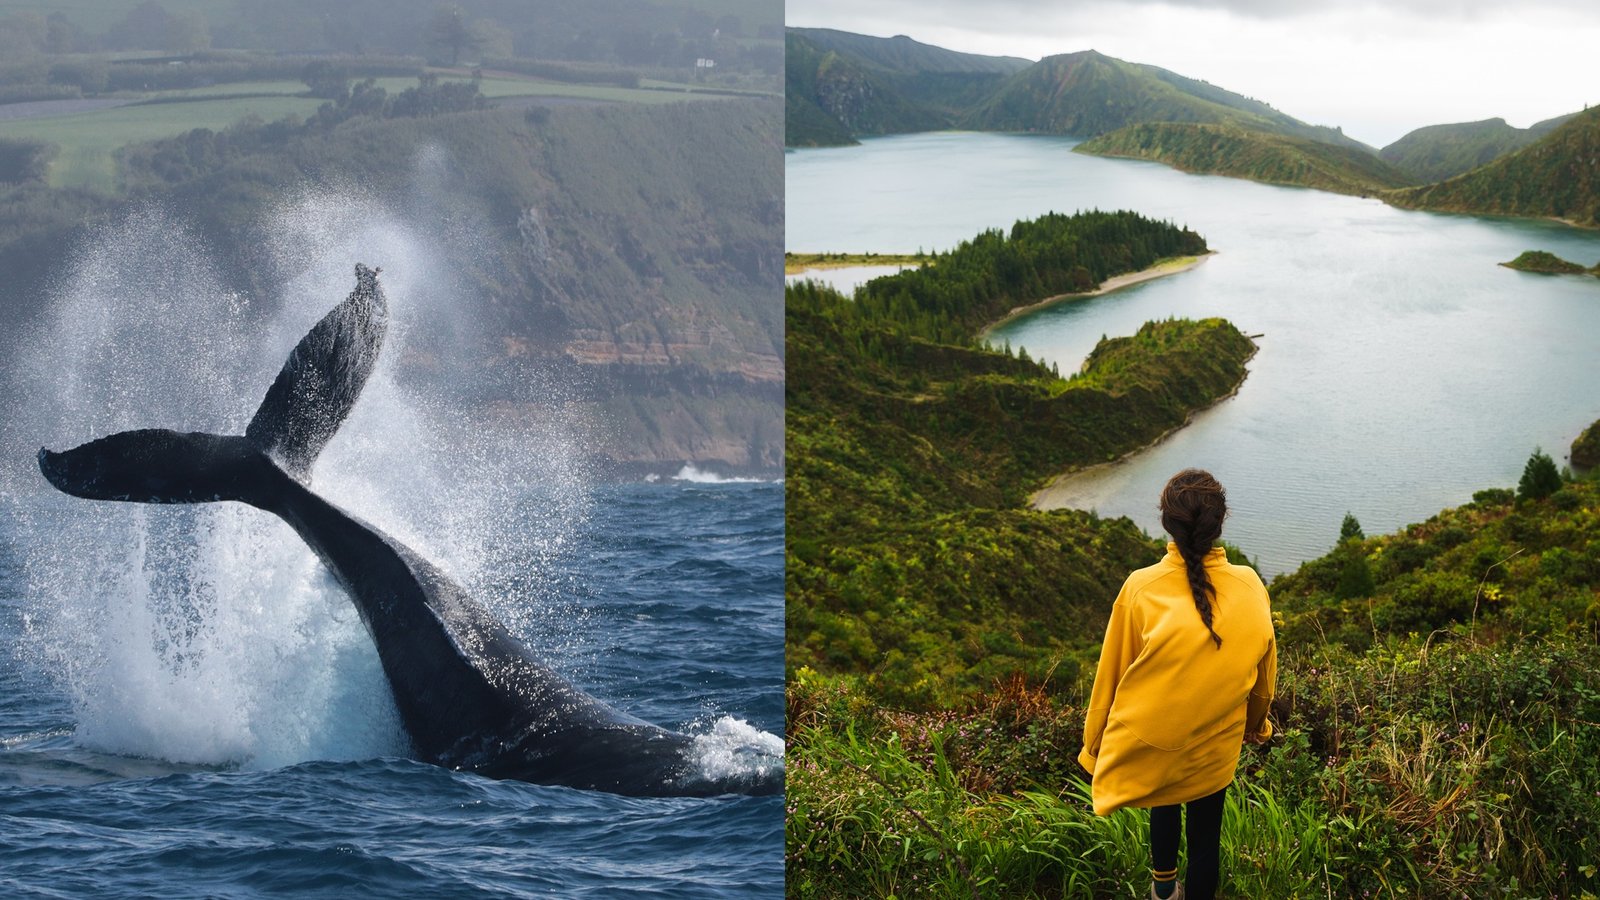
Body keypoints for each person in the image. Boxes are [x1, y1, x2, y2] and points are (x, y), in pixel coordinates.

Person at [1076, 469, 1277, 900]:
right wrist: (1256, 727)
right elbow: (1263, 681)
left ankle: (1164, 890)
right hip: (1217, 742)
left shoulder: (1140, 587)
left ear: (1168, 522)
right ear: (1219, 522)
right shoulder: (1250, 585)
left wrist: (1093, 749)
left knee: (1163, 798)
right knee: (1206, 835)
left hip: (1157, 737)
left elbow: (1110, 676)